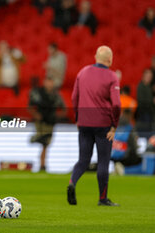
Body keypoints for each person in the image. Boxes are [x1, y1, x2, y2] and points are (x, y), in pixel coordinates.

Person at [67, 45, 121, 206]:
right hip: (103, 124)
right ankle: (102, 198)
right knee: (103, 161)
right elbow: (117, 104)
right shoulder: (112, 76)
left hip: (84, 122)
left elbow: (74, 97)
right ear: (110, 60)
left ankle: (72, 183)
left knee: (83, 160)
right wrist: (114, 126)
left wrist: (77, 118)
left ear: (95, 56)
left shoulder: (82, 72)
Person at [29, 77, 66, 171]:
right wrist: (36, 115)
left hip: (50, 122)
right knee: (44, 142)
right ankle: (36, 139)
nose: (49, 85)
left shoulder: (56, 95)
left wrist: (57, 116)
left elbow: (64, 109)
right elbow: (30, 106)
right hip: (41, 122)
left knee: (45, 144)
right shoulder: (38, 93)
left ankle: (42, 165)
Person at [111, 109, 142, 175]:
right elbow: (134, 145)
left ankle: (115, 167)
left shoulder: (114, 126)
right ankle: (124, 170)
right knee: (139, 159)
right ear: (129, 115)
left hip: (113, 157)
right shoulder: (129, 127)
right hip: (126, 158)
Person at [135, 69, 154, 139]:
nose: (149, 78)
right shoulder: (141, 86)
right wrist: (152, 101)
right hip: (143, 114)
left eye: (150, 77)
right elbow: (141, 100)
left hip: (149, 114)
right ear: (144, 76)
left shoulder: (149, 87)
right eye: (148, 76)